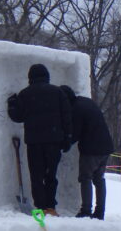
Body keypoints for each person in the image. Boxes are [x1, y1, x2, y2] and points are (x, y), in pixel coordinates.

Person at [7, 64, 72, 216]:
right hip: (54, 141)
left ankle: (40, 206)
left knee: (36, 176)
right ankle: (50, 206)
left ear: (30, 78)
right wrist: (67, 137)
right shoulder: (58, 92)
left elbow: (18, 117)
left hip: (34, 142)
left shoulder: (25, 94)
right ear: (47, 76)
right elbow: (67, 117)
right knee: (51, 175)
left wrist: (12, 103)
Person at [60, 85, 114, 220]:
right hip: (106, 147)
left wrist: (64, 144)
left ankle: (86, 211)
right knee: (99, 179)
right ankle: (100, 212)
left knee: (86, 178)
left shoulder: (76, 109)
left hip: (91, 150)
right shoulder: (85, 102)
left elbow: (75, 133)